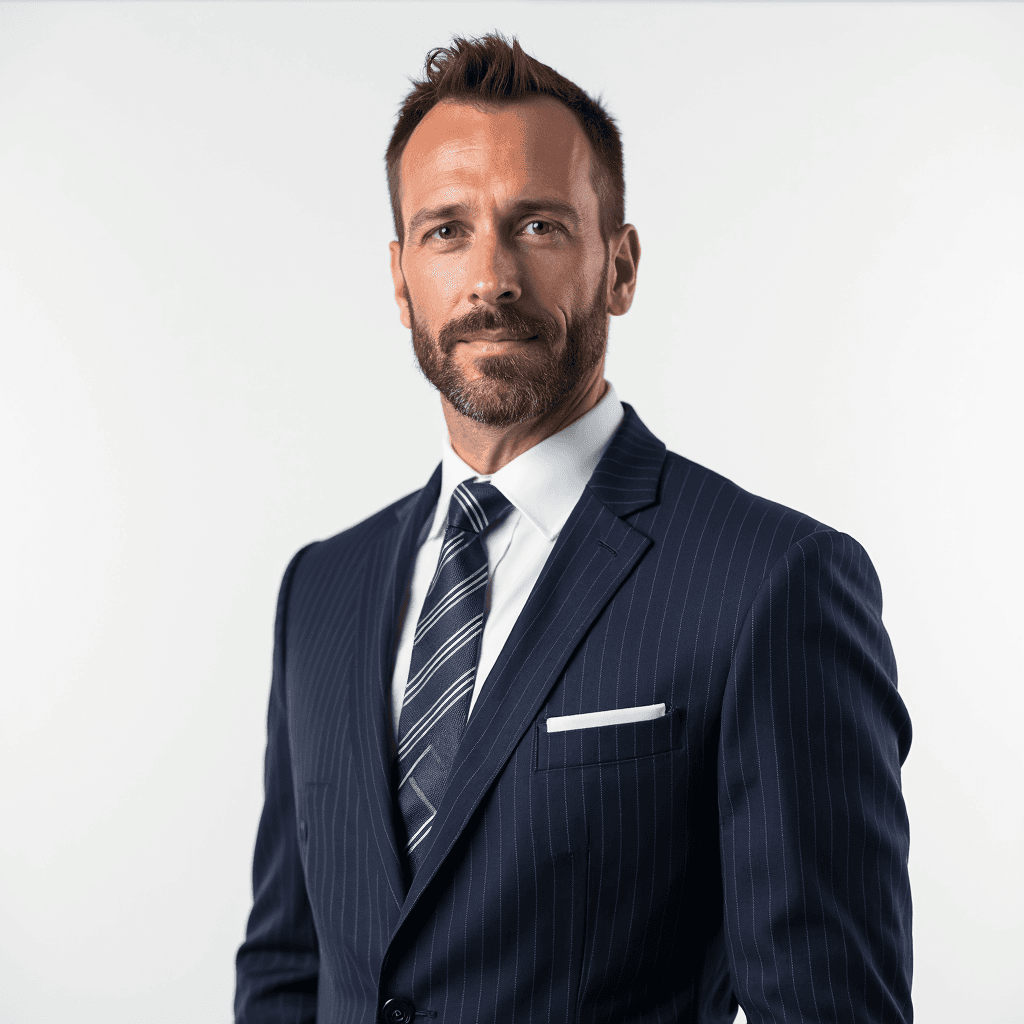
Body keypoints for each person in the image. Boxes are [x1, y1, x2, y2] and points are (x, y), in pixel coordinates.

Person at [235, 34, 913, 1024]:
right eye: (445, 231)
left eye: (540, 225)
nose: (492, 277)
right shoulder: (321, 591)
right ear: (398, 281)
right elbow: (287, 972)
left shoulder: (769, 582)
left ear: (620, 265)